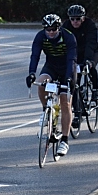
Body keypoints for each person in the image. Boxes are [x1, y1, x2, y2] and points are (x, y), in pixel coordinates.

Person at [26, 14, 77, 157]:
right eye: (47, 29)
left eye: (53, 29)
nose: (50, 32)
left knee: (65, 102)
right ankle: (46, 109)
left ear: (59, 28)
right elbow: (35, 56)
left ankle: (65, 140)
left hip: (67, 68)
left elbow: (72, 59)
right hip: (51, 67)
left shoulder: (68, 37)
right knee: (41, 83)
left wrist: (68, 79)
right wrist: (31, 73)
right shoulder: (40, 36)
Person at [62, 4, 98, 129]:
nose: (75, 22)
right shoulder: (66, 26)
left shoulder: (90, 26)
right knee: (74, 83)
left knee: (91, 67)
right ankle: (77, 113)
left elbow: (91, 43)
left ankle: (95, 89)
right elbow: (63, 44)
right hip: (75, 54)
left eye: (78, 19)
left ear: (83, 18)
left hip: (91, 51)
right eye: (72, 19)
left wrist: (88, 61)